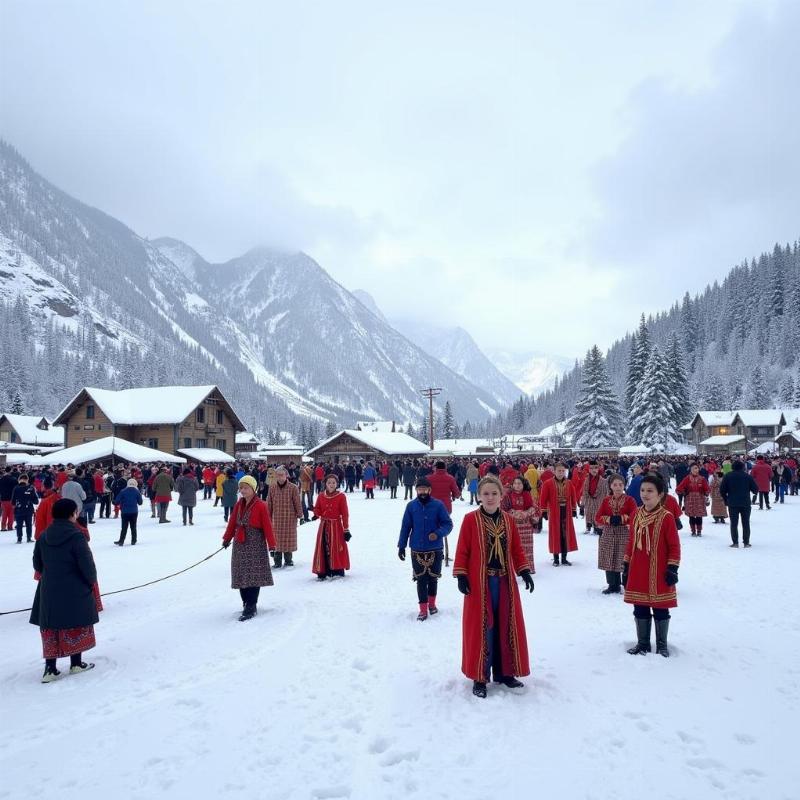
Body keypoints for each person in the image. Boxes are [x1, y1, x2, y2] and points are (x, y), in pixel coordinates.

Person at [453, 475, 534, 699]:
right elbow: (463, 550)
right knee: (484, 628)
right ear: (479, 496)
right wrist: (461, 574)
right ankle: (480, 676)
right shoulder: (470, 520)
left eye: (494, 493)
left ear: (501, 496)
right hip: (480, 583)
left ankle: (505, 673)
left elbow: (516, 549)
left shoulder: (508, 520)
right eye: (486, 494)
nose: (490, 498)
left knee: (505, 626)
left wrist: (524, 570)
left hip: (505, 582)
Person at [30, 498, 100, 682]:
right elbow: (87, 564)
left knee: (51, 627)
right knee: (75, 622)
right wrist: (91, 581)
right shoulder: (76, 536)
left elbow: (37, 563)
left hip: (49, 588)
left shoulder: (44, 536)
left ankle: (50, 668)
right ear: (72, 514)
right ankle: (76, 662)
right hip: (74, 587)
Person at [622, 474, 680, 657]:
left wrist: (673, 567)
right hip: (639, 569)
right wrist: (626, 564)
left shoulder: (666, 517)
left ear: (660, 494)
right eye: (642, 490)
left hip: (659, 570)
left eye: (650, 491)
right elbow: (631, 541)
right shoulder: (636, 515)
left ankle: (662, 644)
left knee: (661, 608)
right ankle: (643, 643)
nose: (645, 494)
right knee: (640, 606)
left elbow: (674, 545)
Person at [397, 476, 453, 620]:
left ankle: (432, 605)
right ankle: (422, 609)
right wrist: (401, 546)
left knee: (433, 579)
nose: (422, 492)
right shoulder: (411, 506)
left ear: (429, 490)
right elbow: (405, 527)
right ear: (416, 490)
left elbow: (448, 524)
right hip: (417, 548)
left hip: (435, 548)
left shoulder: (438, 505)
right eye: (419, 489)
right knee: (421, 580)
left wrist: (438, 533)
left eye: (425, 489)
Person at [221, 475, 276, 621]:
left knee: (253, 576)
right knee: (241, 574)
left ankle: (251, 605)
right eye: (241, 488)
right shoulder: (239, 504)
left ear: (253, 489)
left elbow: (268, 527)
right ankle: (245, 601)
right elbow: (232, 522)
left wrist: (272, 545)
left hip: (255, 544)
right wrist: (227, 538)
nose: (243, 490)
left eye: (246, 488)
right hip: (240, 544)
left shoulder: (261, 505)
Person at [595, 474, 637, 594]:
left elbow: (635, 516)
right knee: (609, 558)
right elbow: (598, 517)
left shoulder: (630, 500)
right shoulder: (606, 500)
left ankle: (627, 583)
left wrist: (622, 519)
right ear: (610, 486)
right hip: (609, 532)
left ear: (624, 486)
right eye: (615, 485)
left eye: (620, 485)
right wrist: (609, 519)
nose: (618, 487)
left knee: (623, 558)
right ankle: (613, 584)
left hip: (624, 532)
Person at [311, 474, 351, 580]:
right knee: (323, 547)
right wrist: (315, 513)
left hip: (336, 526)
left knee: (336, 547)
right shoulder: (321, 495)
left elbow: (345, 513)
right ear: (326, 484)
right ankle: (323, 570)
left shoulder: (341, 497)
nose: (331, 485)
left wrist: (346, 529)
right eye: (329, 483)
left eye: (334, 482)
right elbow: (318, 508)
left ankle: (337, 569)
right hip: (324, 525)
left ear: (337, 484)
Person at [538, 462, 578, 566]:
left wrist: (574, 509)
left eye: (562, 471)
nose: (561, 473)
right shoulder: (547, 483)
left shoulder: (569, 483)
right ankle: (556, 558)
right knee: (555, 534)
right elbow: (543, 498)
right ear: (554, 471)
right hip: (554, 512)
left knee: (565, 534)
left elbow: (573, 497)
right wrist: (544, 511)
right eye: (559, 471)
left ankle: (564, 558)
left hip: (566, 511)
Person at [266, 465, 304, 568]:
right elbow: (269, 504)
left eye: (282, 475)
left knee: (288, 540)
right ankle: (277, 561)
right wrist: (267, 517)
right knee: (276, 540)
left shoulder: (293, 487)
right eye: (278, 475)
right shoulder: (272, 488)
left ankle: (288, 560)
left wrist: (301, 516)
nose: (280, 477)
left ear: (286, 475)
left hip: (290, 518)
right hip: (276, 519)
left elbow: (297, 503)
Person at [501, 476, 539, 573]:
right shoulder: (508, 496)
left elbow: (535, 507)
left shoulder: (527, 495)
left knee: (527, 548)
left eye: (519, 483)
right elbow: (503, 509)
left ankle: (528, 567)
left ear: (523, 485)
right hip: (513, 526)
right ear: (512, 485)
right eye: (515, 483)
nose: (517, 486)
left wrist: (526, 513)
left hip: (526, 526)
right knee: (514, 547)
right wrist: (514, 513)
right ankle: (515, 568)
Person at [719, 461, 759, 548]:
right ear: (742, 467)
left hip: (732, 503)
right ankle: (746, 542)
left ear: (732, 467)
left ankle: (735, 542)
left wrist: (726, 500)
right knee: (746, 523)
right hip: (745, 503)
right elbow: (755, 490)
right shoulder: (747, 476)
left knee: (734, 523)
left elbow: (722, 490)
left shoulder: (727, 476)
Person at [676, 463, 710, 536]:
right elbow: (678, 489)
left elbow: (707, 489)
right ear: (690, 470)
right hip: (690, 499)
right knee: (691, 516)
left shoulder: (702, 479)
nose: (695, 470)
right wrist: (684, 492)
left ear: (698, 469)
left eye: (696, 468)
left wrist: (706, 493)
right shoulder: (687, 478)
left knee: (699, 516)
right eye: (693, 468)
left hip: (700, 499)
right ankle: (693, 531)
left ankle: (699, 531)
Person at [580, 460, 608, 534]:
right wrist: (582, 504)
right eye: (591, 468)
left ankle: (596, 527)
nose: (593, 470)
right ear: (589, 470)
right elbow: (584, 492)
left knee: (597, 514)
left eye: (595, 468)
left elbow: (606, 493)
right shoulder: (586, 480)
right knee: (588, 513)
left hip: (599, 501)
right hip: (589, 500)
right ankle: (588, 527)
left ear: (598, 469)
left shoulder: (603, 481)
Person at [12, 473, 39, 543]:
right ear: (27, 480)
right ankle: (29, 538)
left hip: (19, 509)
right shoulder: (31, 488)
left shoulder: (16, 488)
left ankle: (19, 539)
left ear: (19, 480)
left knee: (19, 525)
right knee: (29, 525)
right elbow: (36, 501)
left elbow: (13, 501)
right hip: (28, 509)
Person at [114, 478, 143, 545]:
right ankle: (133, 540)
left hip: (125, 512)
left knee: (124, 527)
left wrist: (116, 502)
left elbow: (117, 501)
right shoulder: (137, 491)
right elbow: (140, 502)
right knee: (133, 527)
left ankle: (121, 541)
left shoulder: (123, 491)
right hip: (134, 512)